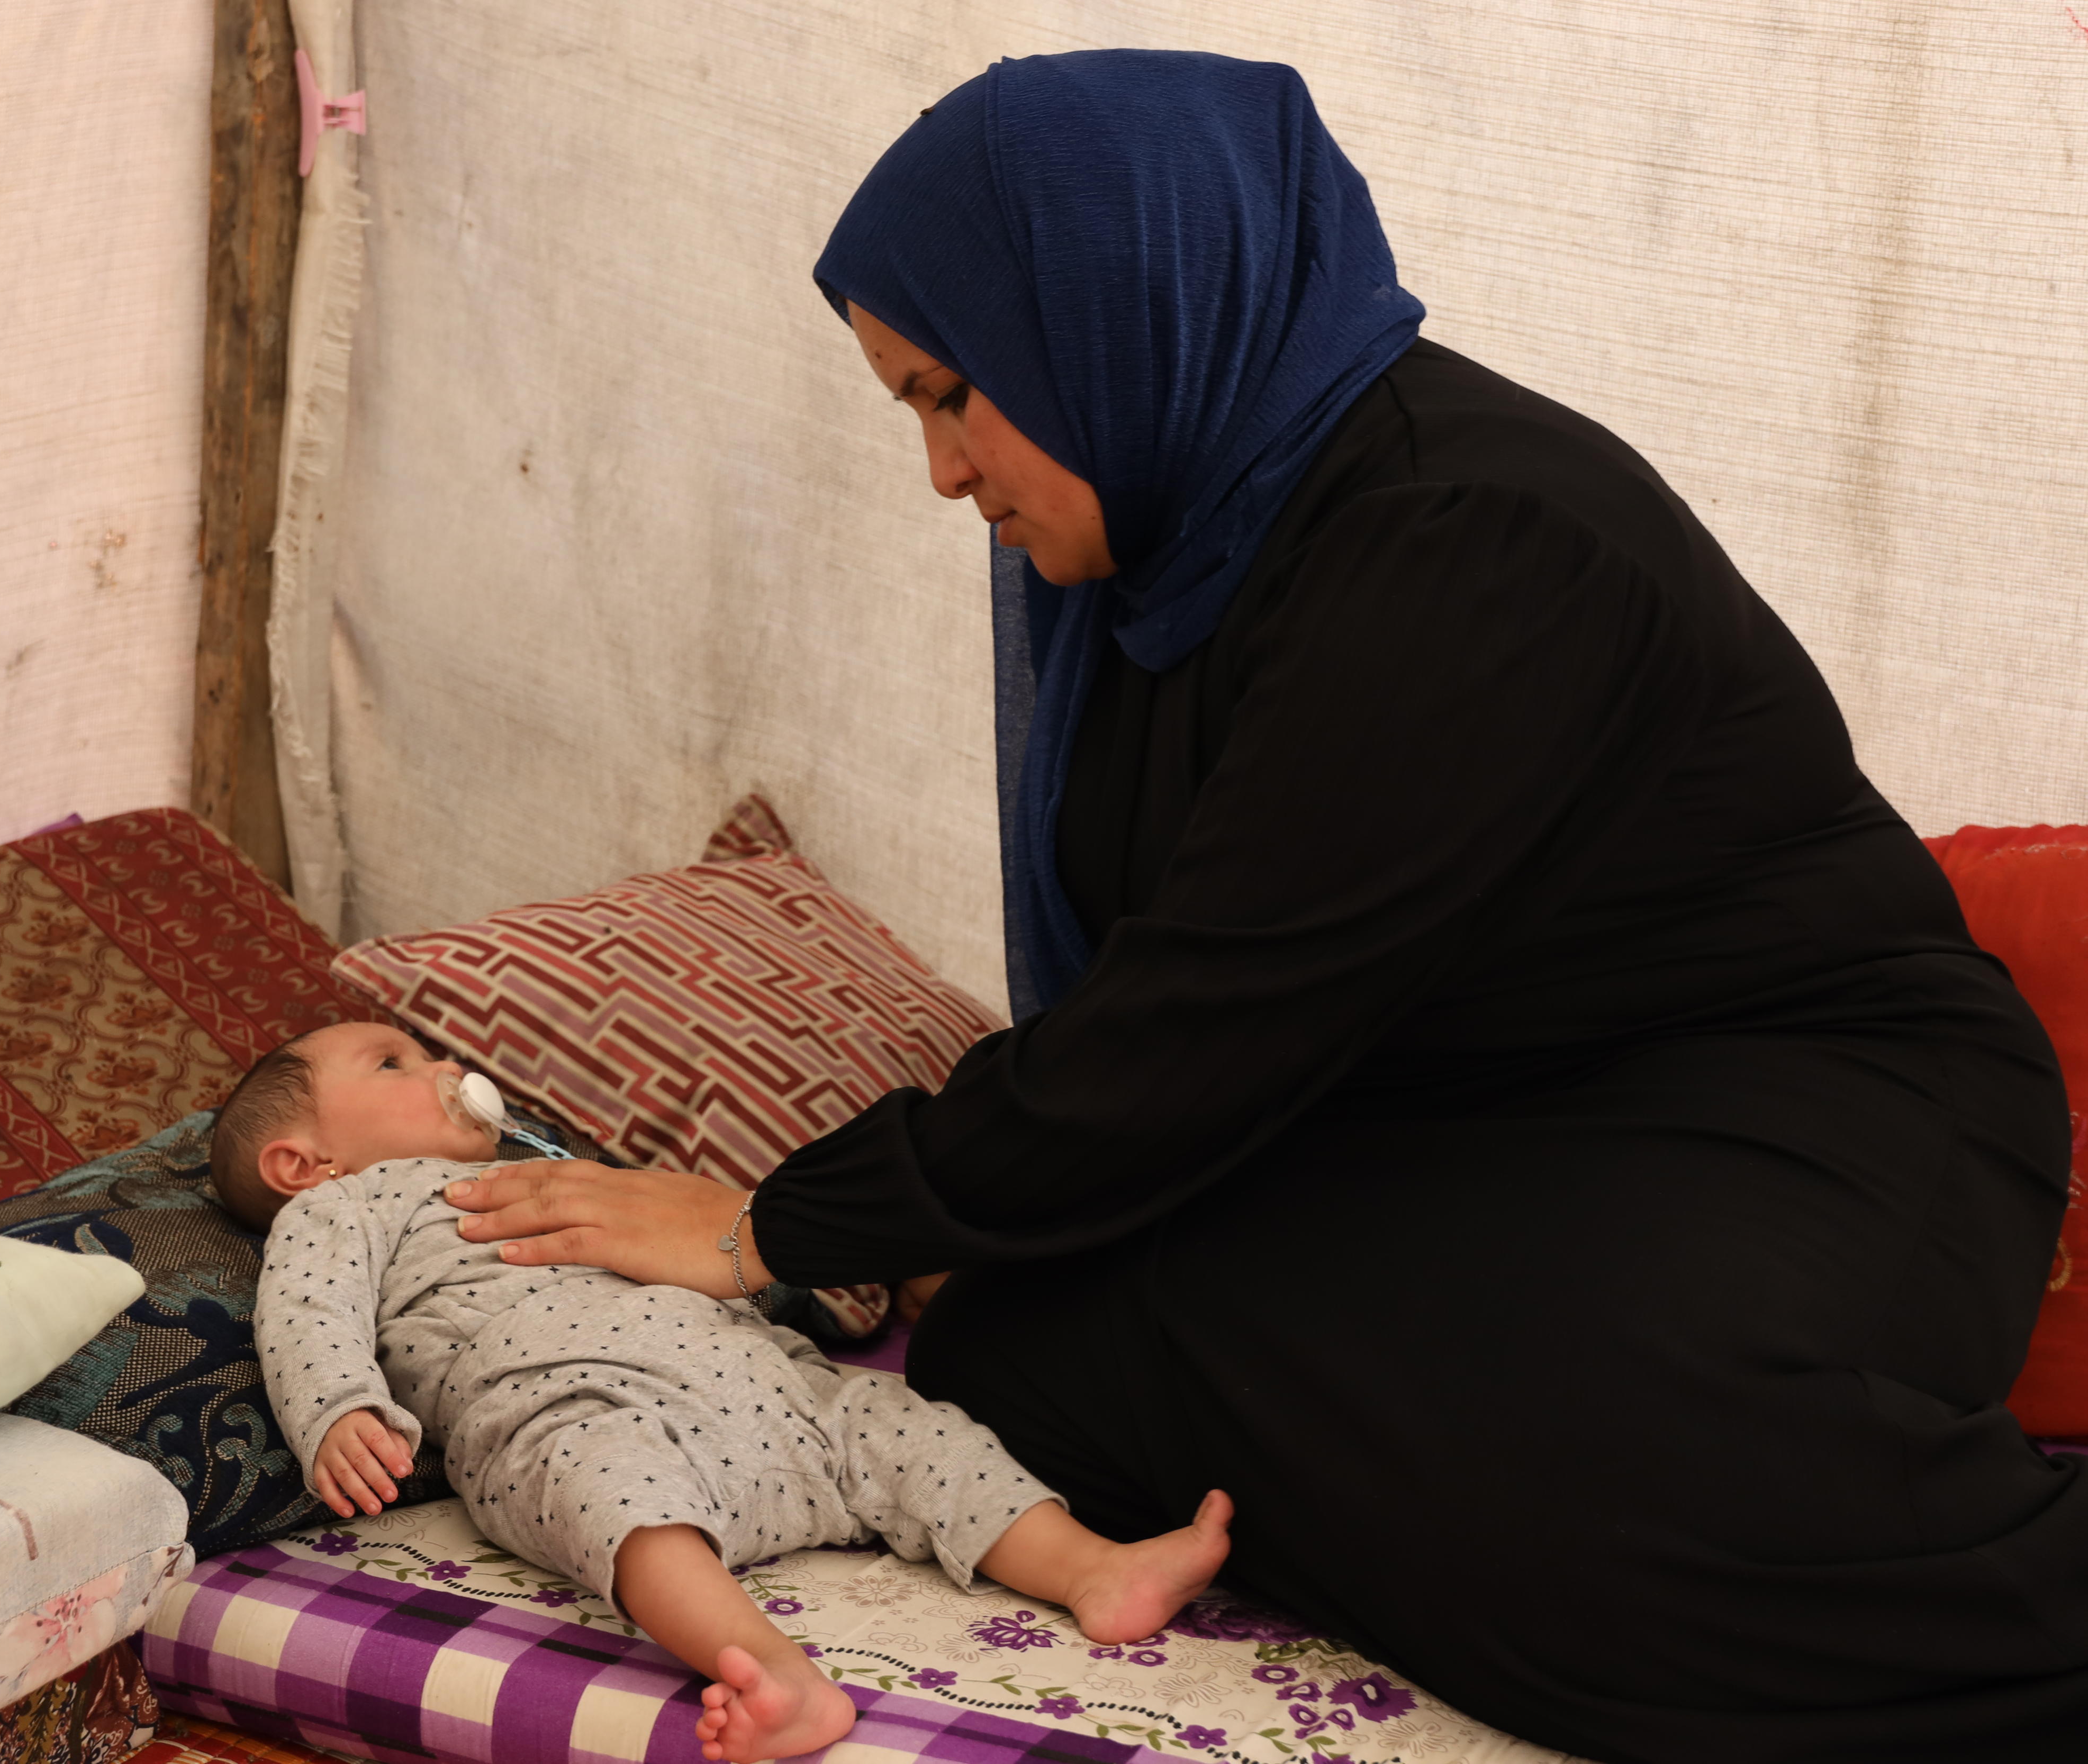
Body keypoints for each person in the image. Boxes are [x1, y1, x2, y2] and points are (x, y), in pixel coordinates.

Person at [442, 48, 2088, 1764]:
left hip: (1797, 1112)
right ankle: (1466, 1523)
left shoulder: (1469, 539)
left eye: (953, 396)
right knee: (1028, 1348)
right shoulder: (1174, 561)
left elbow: (1192, 1032)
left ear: (1109, 315)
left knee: (1597, 1464)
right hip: (1465, 1128)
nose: (941, 474)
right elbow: (1171, 1037)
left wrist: (767, 1225)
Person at [215, 1020, 1237, 1764]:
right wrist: (339, 1410)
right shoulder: (349, 1205)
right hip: (573, 1398)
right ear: (304, 1162)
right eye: (393, 1063)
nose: (446, 1067)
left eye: (430, 1052)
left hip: (768, 1385)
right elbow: (305, 1313)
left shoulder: (551, 1167)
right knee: (608, 1490)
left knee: (907, 1429)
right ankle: (771, 1668)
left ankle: (1091, 1567)